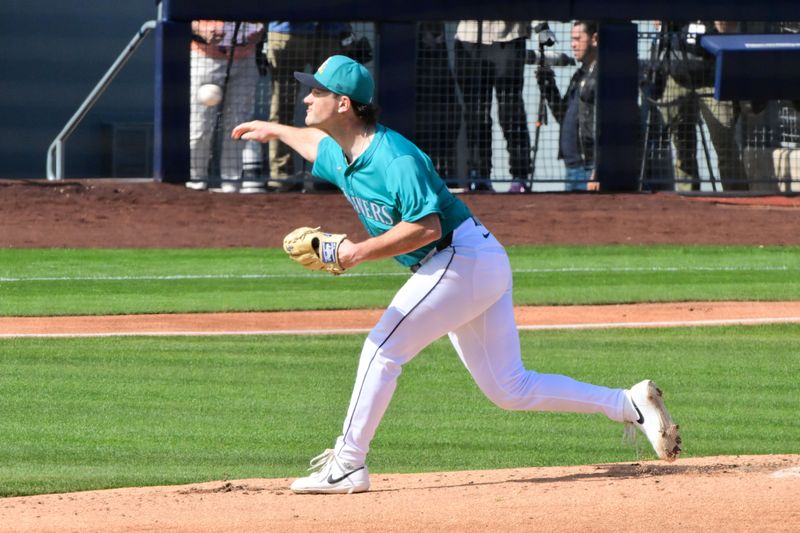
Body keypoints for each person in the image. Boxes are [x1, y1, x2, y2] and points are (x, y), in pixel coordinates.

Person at [231, 55, 681, 495]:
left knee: (381, 350)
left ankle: (348, 463)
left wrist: (358, 252)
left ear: (344, 104)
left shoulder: (393, 158)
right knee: (510, 387)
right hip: (472, 262)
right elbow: (314, 146)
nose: (307, 97)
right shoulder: (344, 149)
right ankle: (628, 404)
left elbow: (428, 226)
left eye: (317, 91)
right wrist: (273, 130)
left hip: (458, 258)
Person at [265, 21, 365, 191]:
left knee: (332, 109)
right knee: (282, 107)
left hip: (330, 29)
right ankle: (281, 176)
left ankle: (329, 173)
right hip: (286, 31)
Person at [653, 20, 747, 191]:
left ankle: (739, 198)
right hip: (677, 75)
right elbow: (658, 23)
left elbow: (728, 27)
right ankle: (688, 199)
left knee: (725, 144)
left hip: (713, 78)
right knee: (682, 146)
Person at [454, 21, 532, 192]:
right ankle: (480, 176)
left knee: (511, 112)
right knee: (476, 114)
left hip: (509, 36)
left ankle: (520, 176)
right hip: (469, 37)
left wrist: (541, 25)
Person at [187, 20, 264, 192]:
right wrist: (200, 28)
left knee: (238, 124)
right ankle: (196, 180)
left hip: (245, 59)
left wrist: (260, 30)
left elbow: (264, 14)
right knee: (200, 126)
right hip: (205, 57)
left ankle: (232, 184)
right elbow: (179, 11)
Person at [536, 21, 599, 191]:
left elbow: (606, 128)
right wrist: (548, 86)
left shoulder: (601, 76)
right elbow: (563, 116)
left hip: (589, 169)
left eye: (578, 38)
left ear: (594, 39)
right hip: (572, 168)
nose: (573, 44)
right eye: (572, 39)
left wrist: (597, 170)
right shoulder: (579, 76)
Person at [416, 22, 462, 188]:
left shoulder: (443, 61)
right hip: (424, 113)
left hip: (443, 111)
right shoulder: (417, 62)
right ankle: (425, 177)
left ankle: (447, 173)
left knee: (448, 123)